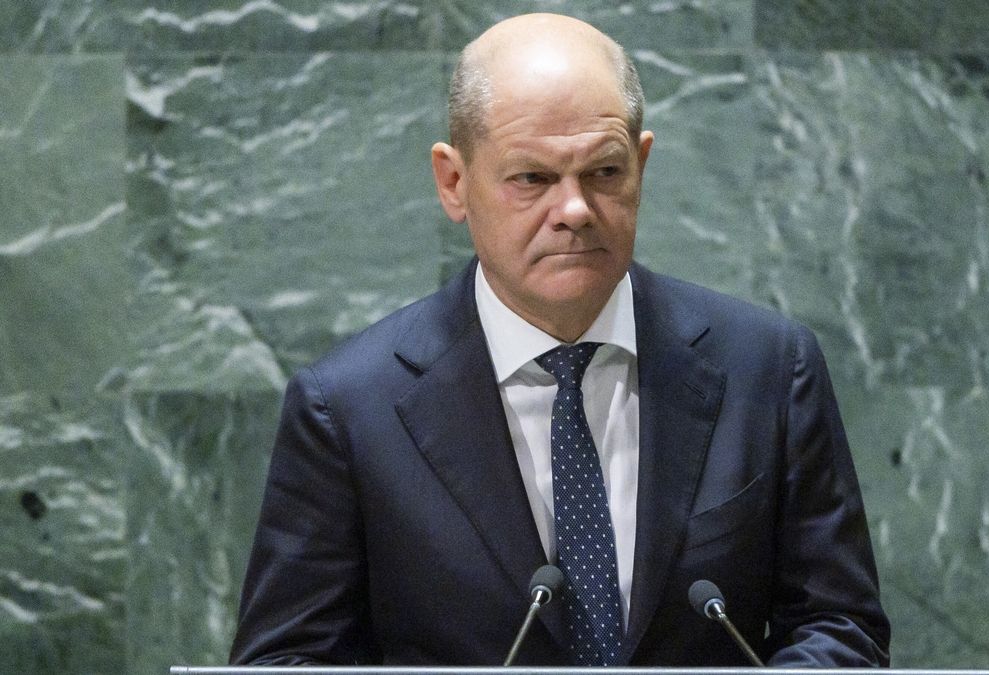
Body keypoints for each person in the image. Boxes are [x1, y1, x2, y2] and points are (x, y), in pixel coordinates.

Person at [230, 13, 889, 668]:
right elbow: (286, 661)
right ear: (454, 183)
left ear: (641, 164)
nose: (574, 210)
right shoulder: (349, 408)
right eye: (532, 179)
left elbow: (838, 625)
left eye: (604, 172)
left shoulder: (767, 368)